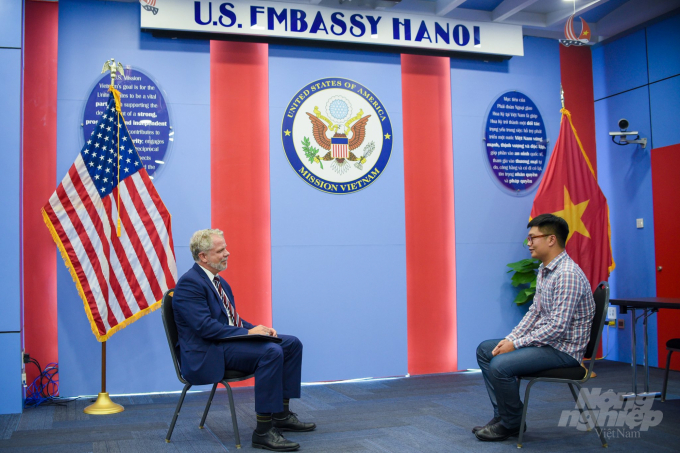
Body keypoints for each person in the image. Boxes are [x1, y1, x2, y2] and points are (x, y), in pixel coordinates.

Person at [173, 229, 315, 452]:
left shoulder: (219, 283)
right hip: (207, 353)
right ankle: (263, 431)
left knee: (291, 343)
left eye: (225, 248)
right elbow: (205, 328)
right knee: (271, 352)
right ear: (203, 257)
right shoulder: (189, 284)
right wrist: (249, 334)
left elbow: (233, 321)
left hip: (224, 344)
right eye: (221, 251)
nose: (227, 253)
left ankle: (281, 414)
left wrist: (259, 329)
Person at [474, 214, 595, 442]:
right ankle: (504, 416)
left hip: (564, 351)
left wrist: (516, 344)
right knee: (485, 350)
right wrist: (510, 339)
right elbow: (535, 313)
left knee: (500, 365)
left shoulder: (567, 275)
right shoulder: (545, 270)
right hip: (549, 344)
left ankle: (512, 423)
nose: (528, 243)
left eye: (532, 238)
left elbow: (557, 327)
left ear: (551, 239)